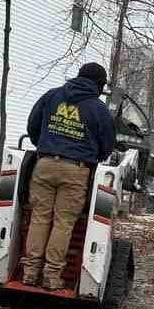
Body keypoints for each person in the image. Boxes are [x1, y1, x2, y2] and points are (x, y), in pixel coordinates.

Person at [20, 62, 115, 291]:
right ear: (99, 85)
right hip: (77, 170)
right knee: (63, 223)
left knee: (40, 218)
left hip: (44, 165)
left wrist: (46, 146)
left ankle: (30, 272)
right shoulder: (99, 109)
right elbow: (107, 146)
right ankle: (52, 277)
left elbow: (33, 126)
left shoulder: (52, 96)